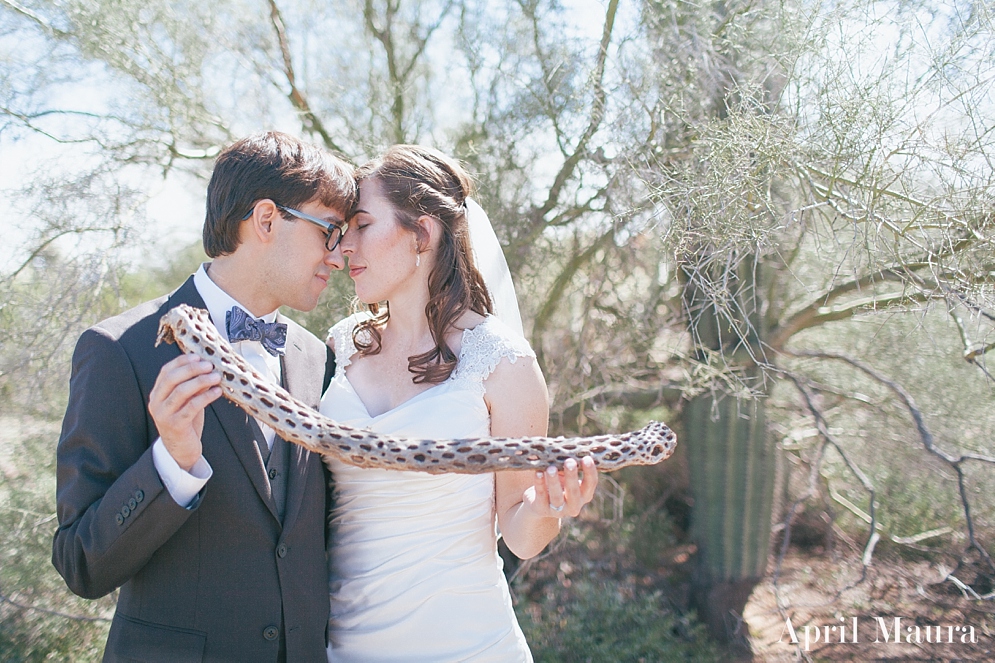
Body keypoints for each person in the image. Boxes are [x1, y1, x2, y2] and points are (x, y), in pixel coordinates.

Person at [52, 131, 354, 662]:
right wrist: (170, 463)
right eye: (329, 231)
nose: (340, 255)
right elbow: (80, 563)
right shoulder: (119, 350)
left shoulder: (318, 359)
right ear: (265, 220)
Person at [320, 145, 600, 662]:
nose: (342, 250)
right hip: (343, 650)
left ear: (421, 235)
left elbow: (521, 534)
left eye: (361, 225)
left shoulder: (503, 364)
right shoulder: (339, 346)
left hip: (465, 647)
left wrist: (548, 506)